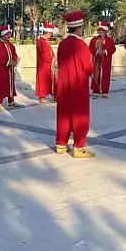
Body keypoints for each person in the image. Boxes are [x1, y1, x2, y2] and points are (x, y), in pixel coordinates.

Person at [55, 11, 94, 158]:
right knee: (79, 115)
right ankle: (78, 147)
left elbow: (59, 63)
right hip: (78, 85)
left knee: (63, 114)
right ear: (78, 29)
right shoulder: (81, 45)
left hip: (64, 85)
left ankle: (61, 144)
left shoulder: (62, 44)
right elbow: (88, 67)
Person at [0, 24, 19, 111]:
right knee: (1, 85)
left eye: (9, 34)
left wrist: (14, 61)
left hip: (10, 69)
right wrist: (8, 62)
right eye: (7, 34)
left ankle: (11, 101)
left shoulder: (11, 45)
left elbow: (14, 55)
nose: (9, 36)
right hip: (2, 69)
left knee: (11, 84)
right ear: (3, 35)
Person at [89, 21, 116, 98]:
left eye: (102, 30)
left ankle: (105, 91)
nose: (100, 32)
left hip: (106, 59)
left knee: (106, 74)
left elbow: (113, 49)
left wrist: (106, 51)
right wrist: (96, 51)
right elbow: (90, 48)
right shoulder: (94, 40)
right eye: (99, 30)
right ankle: (96, 91)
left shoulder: (110, 40)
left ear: (106, 31)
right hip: (97, 60)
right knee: (96, 75)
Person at [35, 23, 57, 104]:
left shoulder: (46, 41)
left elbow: (50, 51)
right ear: (47, 33)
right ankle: (42, 97)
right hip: (43, 65)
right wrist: (50, 60)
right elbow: (43, 54)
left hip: (49, 64)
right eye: (50, 34)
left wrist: (54, 57)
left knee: (51, 80)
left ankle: (54, 95)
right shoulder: (40, 41)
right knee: (43, 80)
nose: (51, 36)